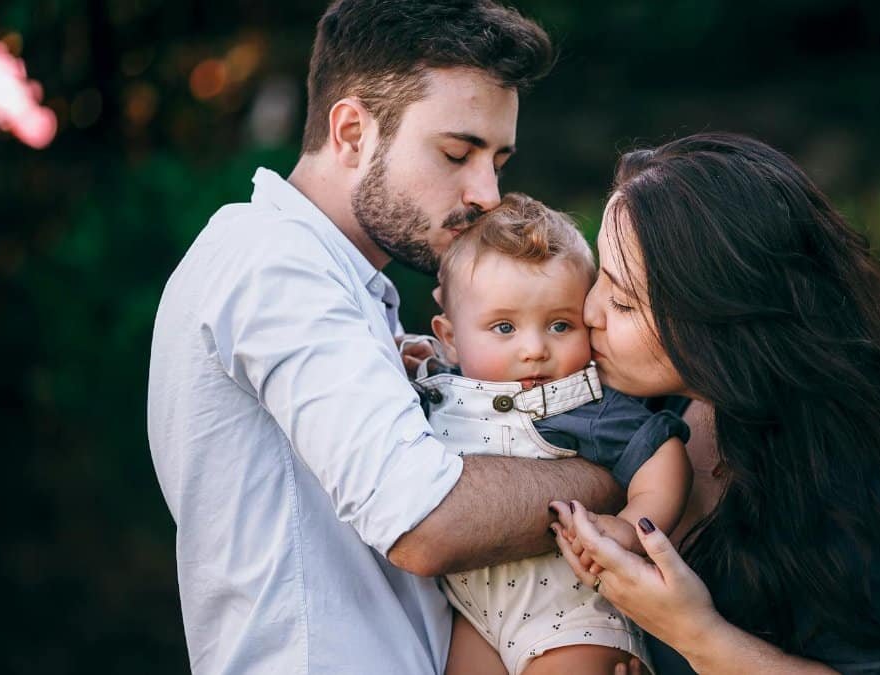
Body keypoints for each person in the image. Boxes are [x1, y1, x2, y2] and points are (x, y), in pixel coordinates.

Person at [146, 3, 626, 673]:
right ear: (351, 133)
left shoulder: (351, 289)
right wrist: (619, 470)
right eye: (457, 152)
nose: (488, 192)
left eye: (498, 159)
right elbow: (426, 521)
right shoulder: (273, 261)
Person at [551, 133, 880, 674]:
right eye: (598, 279)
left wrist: (694, 634)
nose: (589, 312)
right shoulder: (653, 409)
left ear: (724, 317)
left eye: (624, 300)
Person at [417, 193, 691, 674]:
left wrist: (630, 526)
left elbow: (662, 452)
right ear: (451, 335)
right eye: (504, 327)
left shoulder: (581, 401)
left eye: (560, 325)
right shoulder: (436, 392)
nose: (534, 349)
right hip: (474, 616)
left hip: (570, 615)